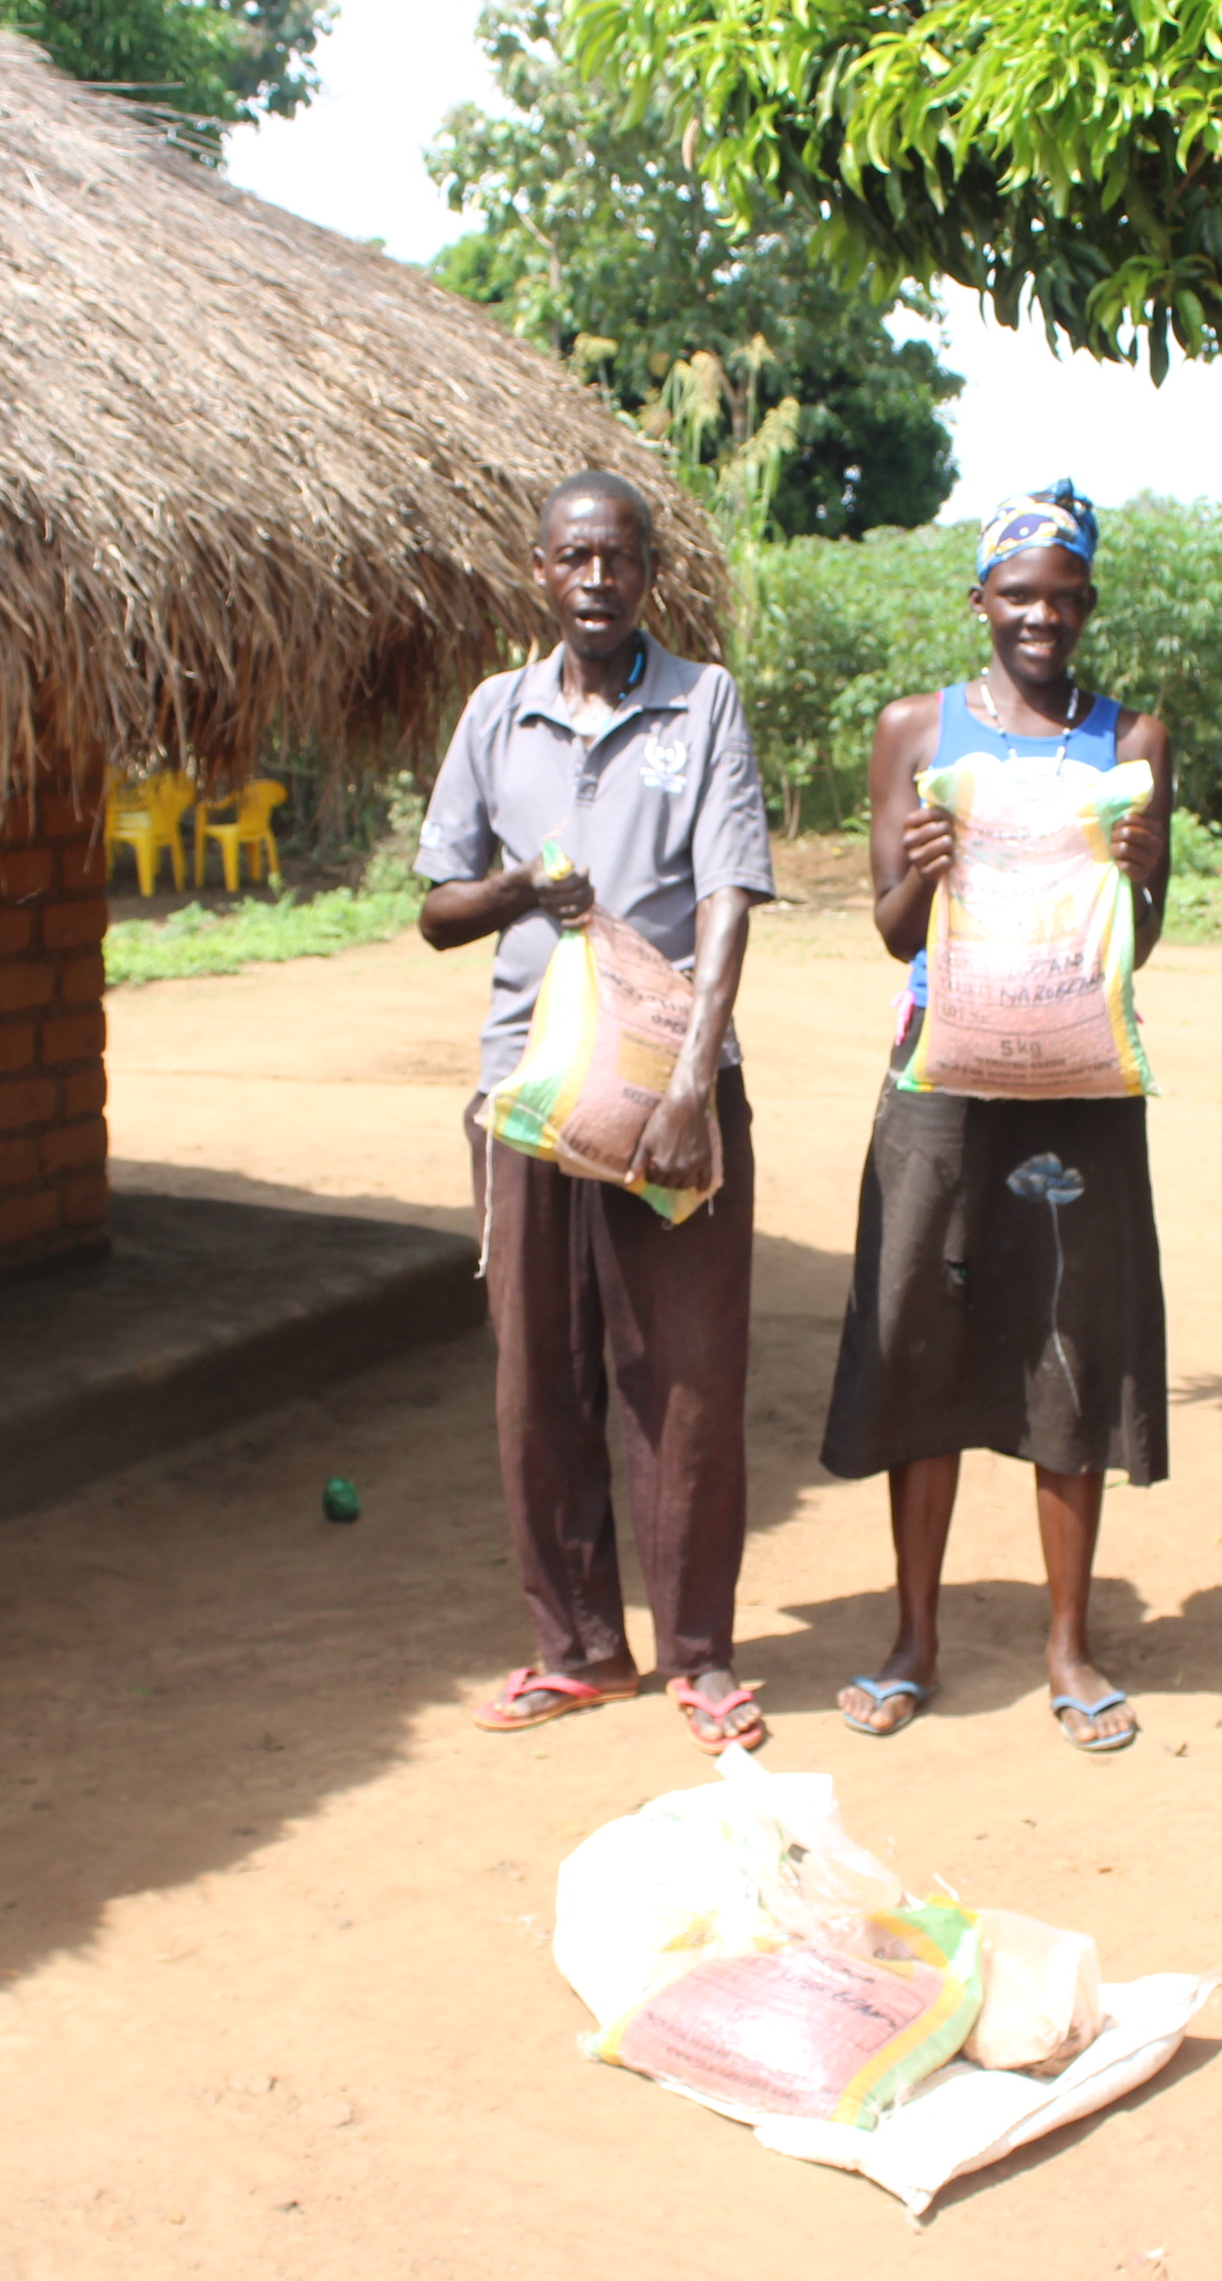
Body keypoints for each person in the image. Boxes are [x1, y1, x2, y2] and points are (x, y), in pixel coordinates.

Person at [416, 469, 777, 1753]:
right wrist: (521, 886)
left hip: (666, 1088)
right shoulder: (495, 715)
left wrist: (693, 1091)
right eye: (574, 558)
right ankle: (577, 1648)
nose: (596, 580)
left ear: (648, 574)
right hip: (527, 1092)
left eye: (618, 558)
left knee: (684, 1376)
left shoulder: (702, 702)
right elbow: (438, 910)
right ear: (539, 572)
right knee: (540, 1375)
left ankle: (700, 1656)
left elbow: (728, 897)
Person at [820, 481, 1173, 1754]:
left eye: (1064, 598)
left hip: (1079, 1087)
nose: (1042, 617)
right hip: (941, 1082)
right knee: (923, 1337)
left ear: (1088, 606)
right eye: (1019, 595)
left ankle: (1068, 1644)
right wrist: (919, 875)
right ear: (980, 600)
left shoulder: (1132, 738)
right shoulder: (917, 728)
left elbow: (1142, 938)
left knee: (1070, 1335)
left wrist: (1141, 880)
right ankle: (914, 1639)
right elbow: (892, 931)